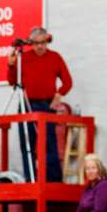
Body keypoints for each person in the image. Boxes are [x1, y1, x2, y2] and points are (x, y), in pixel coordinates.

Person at [7, 26, 71, 183]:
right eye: (36, 43)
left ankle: (53, 179)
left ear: (47, 41)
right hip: (27, 103)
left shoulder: (55, 57)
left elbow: (68, 82)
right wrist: (11, 65)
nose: (40, 46)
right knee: (27, 142)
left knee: (50, 142)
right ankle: (31, 177)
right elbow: (12, 81)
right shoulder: (24, 58)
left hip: (47, 105)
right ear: (31, 43)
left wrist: (59, 94)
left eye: (43, 43)